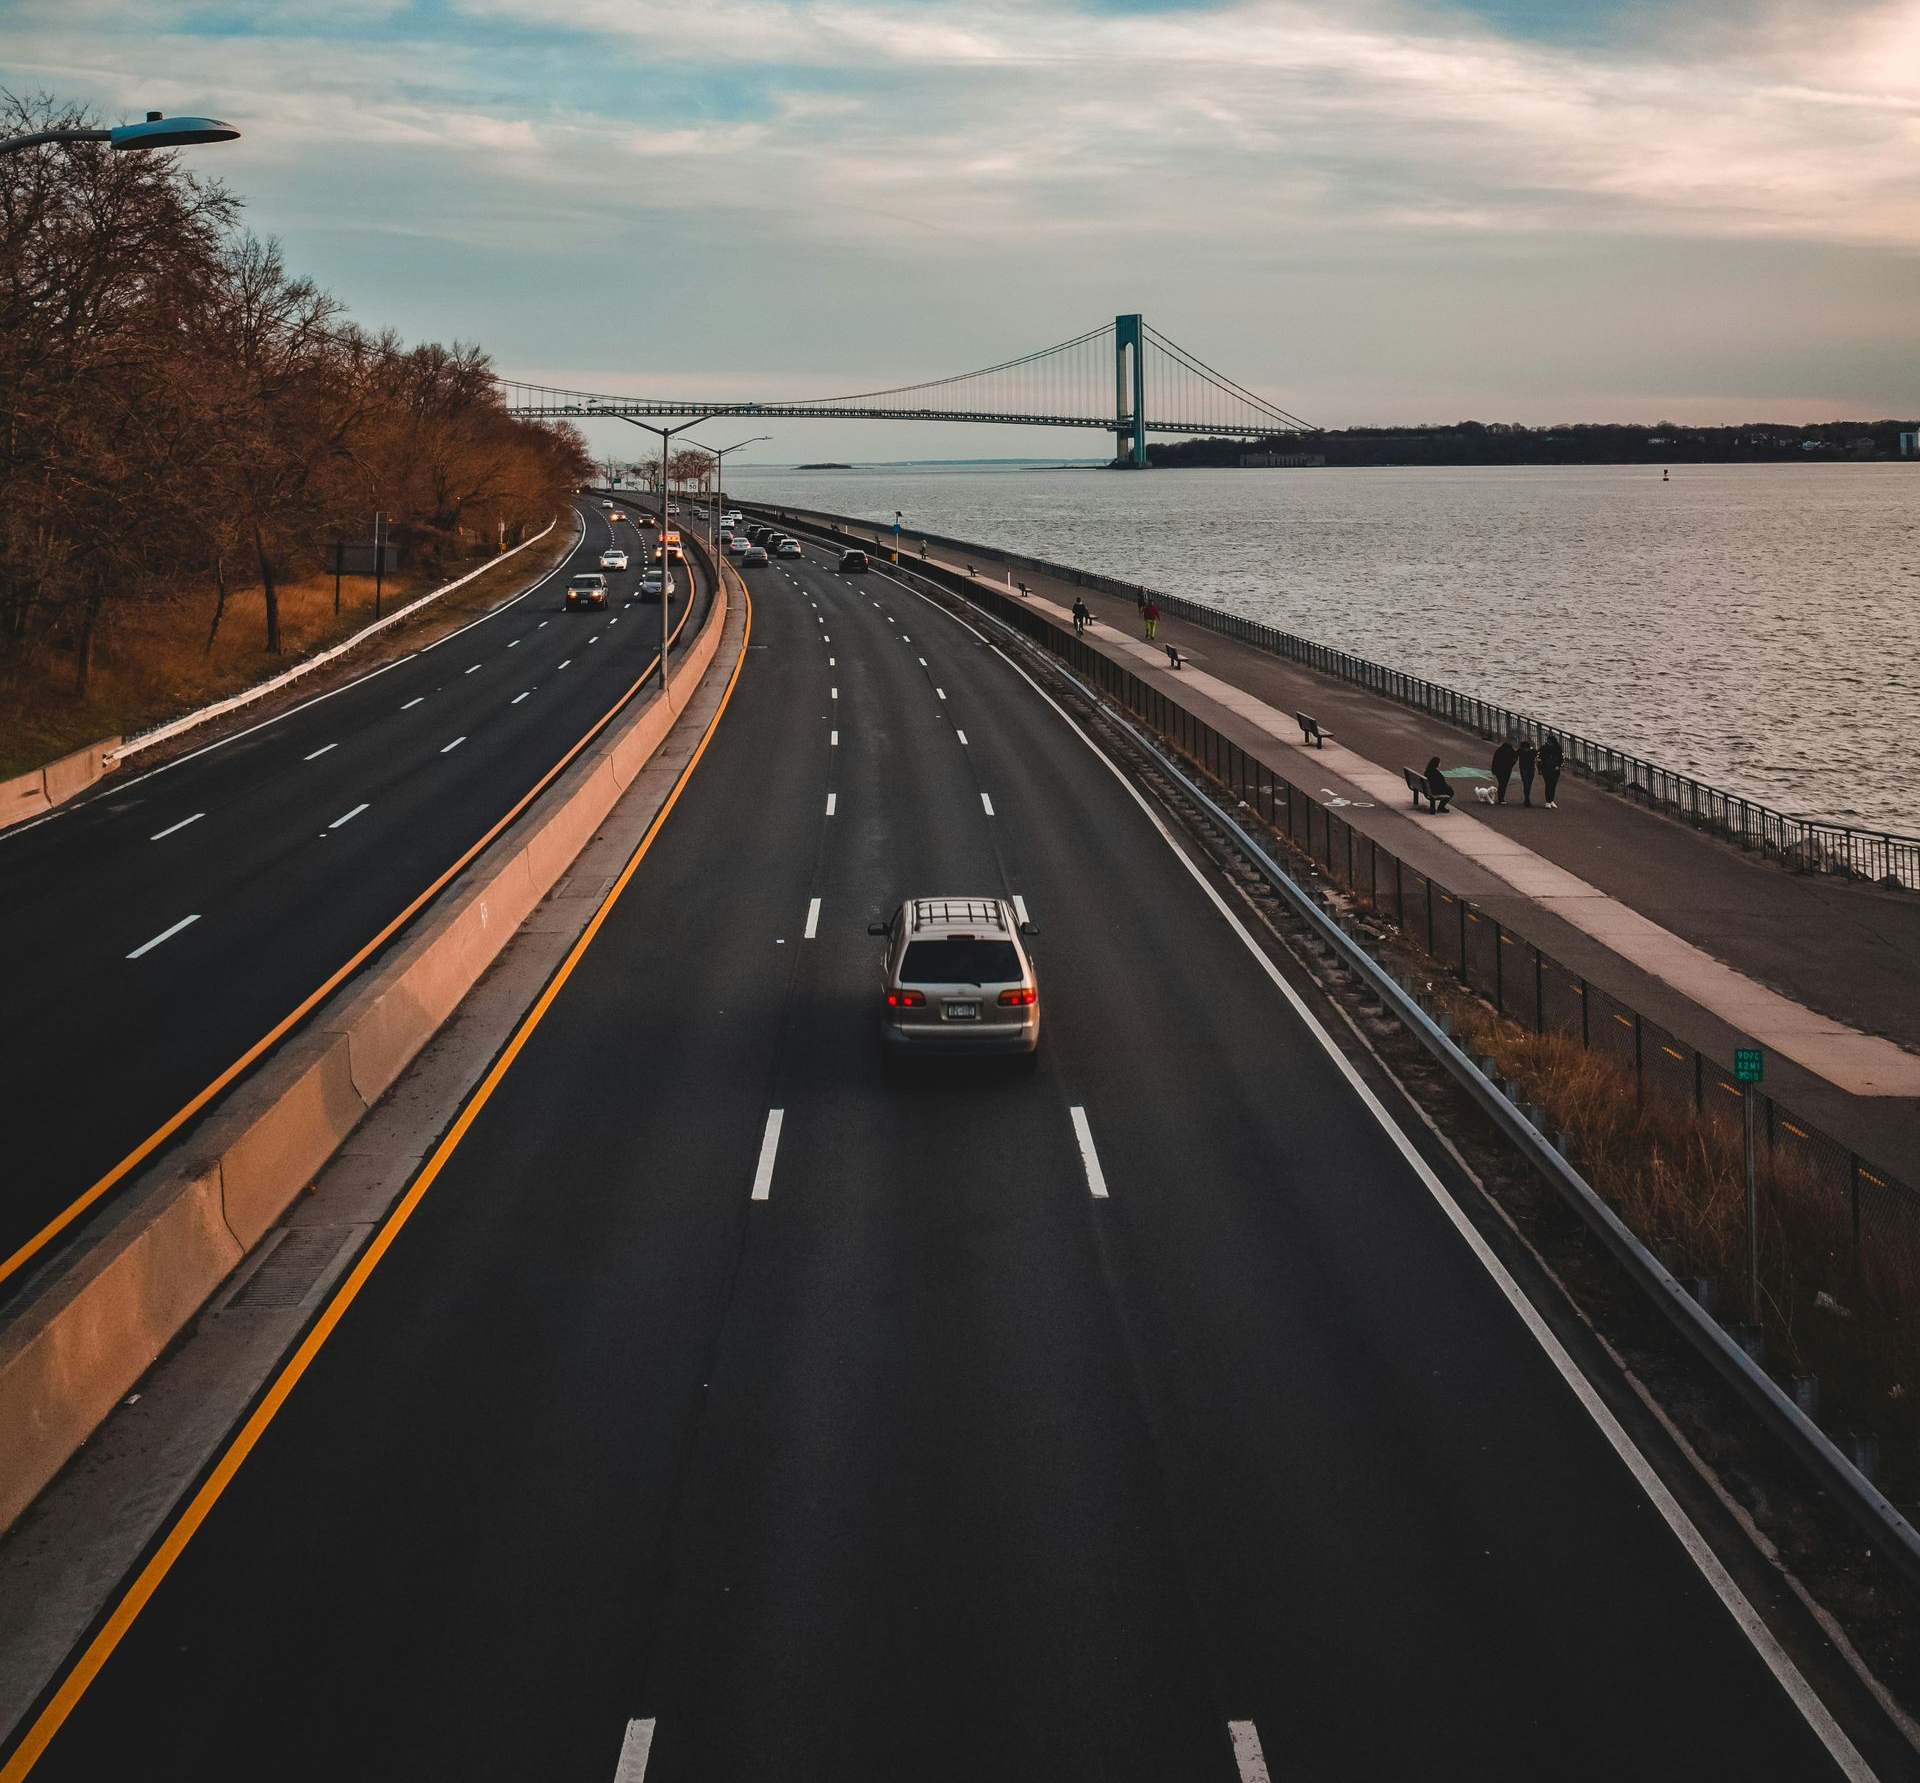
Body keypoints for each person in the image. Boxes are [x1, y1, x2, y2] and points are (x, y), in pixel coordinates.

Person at [1539, 733, 1564, 808]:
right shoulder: (1543, 748)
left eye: (1550, 742)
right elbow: (1539, 758)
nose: (1548, 743)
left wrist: (1558, 766)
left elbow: (1562, 759)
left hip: (1555, 770)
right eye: (1548, 741)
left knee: (1553, 785)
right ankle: (1548, 801)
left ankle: (1551, 800)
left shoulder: (1558, 749)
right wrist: (1539, 769)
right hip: (1546, 769)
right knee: (1548, 784)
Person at [1491, 736, 1518, 804]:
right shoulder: (1511, 752)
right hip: (1507, 770)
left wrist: (1493, 770)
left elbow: (1494, 761)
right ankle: (1501, 798)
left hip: (1498, 770)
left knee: (1501, 783)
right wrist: (1512, 764)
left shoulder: (1499, 750)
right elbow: (1515, 758)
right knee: (1504, 784)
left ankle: (1501, 798)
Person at [1517, 736, 1538, 807]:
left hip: (1531, 769)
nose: (1524, 750)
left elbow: (1539, 755)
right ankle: (1527, 799)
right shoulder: (1520, 751)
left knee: (1529, 784)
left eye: (1525, 749)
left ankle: (1527, 798)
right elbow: (1514, 755)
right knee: (1526, 783)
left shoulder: (1533, 751)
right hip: (1523, 769)